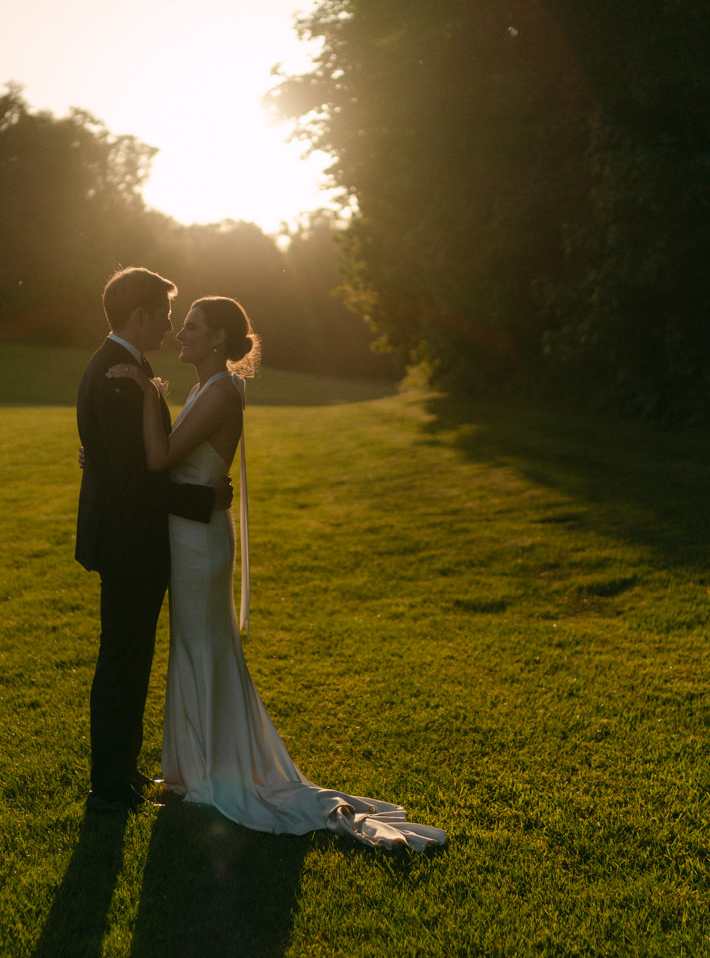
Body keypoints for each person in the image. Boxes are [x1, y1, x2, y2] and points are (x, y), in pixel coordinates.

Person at [107, 295, 445, 850]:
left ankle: (214, 770)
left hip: (199, 546)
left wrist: (147, 393)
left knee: (203, 647)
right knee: (193, 646)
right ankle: (193, 765)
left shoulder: (219, 393)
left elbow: (160, 457)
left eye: (191, 327)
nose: (181, 334)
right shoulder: (202, 389)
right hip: (189, 537)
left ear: (219, 338)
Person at [75, 267, 230, 812]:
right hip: (127, 542)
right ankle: (109, 787)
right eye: (164, 315)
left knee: (131, 658)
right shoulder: (117, 375)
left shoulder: (125, 367)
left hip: (130, 539)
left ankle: (121, 772)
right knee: (122, 660)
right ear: (138, 315)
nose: (169, 326)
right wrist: (202, 500)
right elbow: (136, 481)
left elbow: (124, 459)